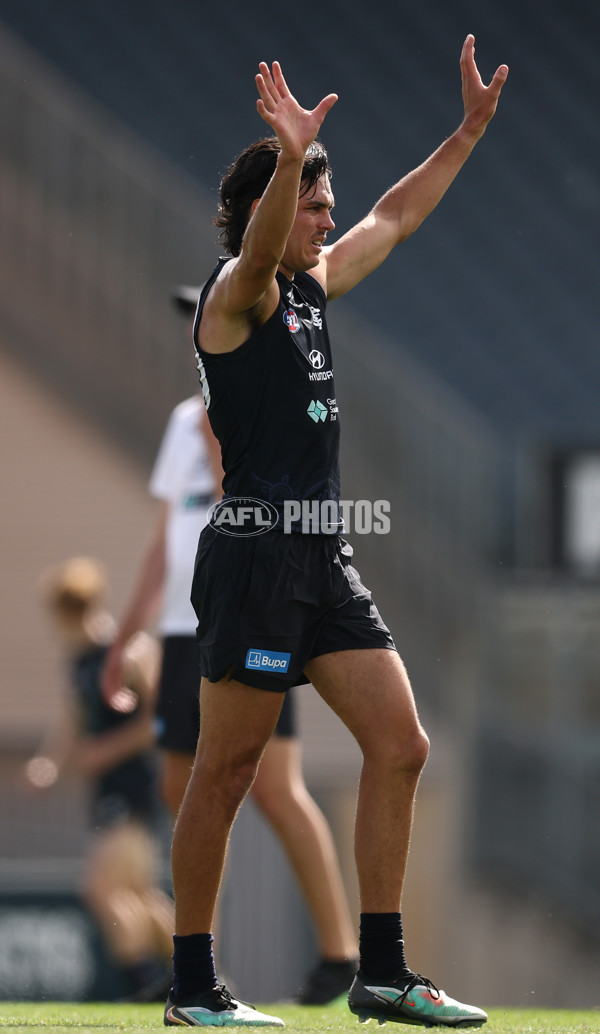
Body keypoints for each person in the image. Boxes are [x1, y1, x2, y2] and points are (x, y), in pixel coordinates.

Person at [166, 36, 508, 1029]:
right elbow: (270, 239)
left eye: (322, 199)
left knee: (401, 744)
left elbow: (395, 215)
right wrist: (286, 158)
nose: (327, 214)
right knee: (225, 774)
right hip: (255, 562)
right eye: (312, 201)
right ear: (267, 208)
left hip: (323, 557)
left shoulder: (312, 287)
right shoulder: (238, 295)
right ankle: (194, 987)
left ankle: (383, 972)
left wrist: (467, 133)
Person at [101, 288, 359, 1005]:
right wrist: (128, 635)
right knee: (181, 789)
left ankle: (339, 951)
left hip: (244, 617)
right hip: (185, 631)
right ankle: (199, 966)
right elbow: (165, 539)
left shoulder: (250, 416)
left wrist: (226, 430)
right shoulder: (184, 422)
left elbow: (242, 500)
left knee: (273, 788)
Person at [25, 557, 174, 1001]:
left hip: (133, 783)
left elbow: (159, 721)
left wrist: (108, 750)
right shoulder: (77, 663)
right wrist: (50, 762)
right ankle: (203, 974)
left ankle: (144, 981)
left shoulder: (127, 650)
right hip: (106, 787)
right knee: (138, 894)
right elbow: (75, 721)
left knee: (100, 888)